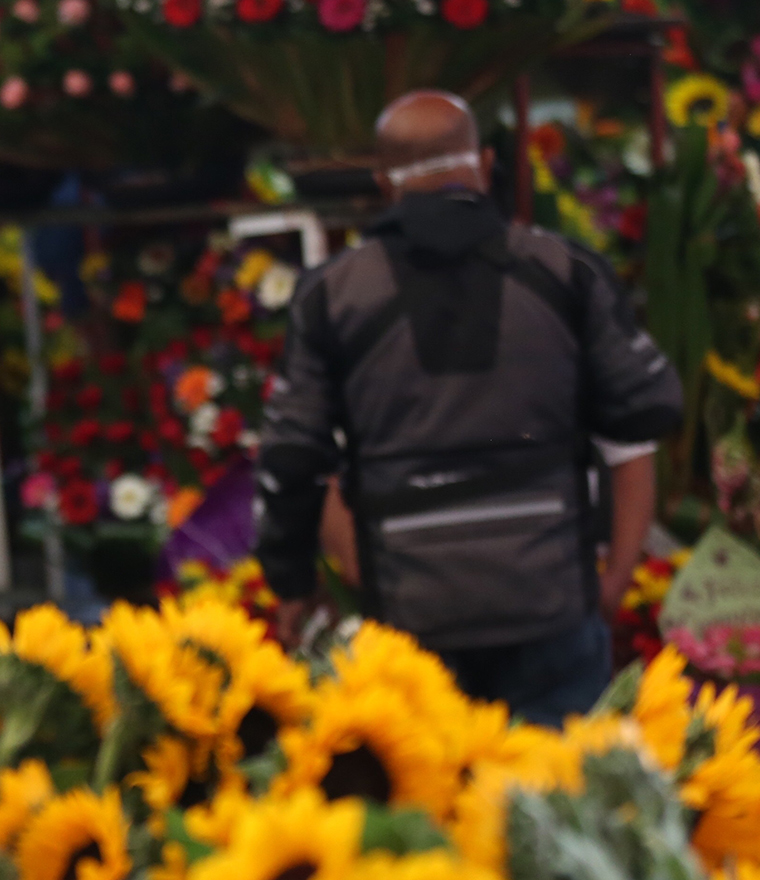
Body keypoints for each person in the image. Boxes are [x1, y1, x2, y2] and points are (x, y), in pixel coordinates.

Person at [254, 90, 682, 724]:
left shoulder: (333, 296)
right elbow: (648, 417)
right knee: (560, 806)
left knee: (433, 811)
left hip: (411, 615)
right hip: (550, 605)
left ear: (382, 184)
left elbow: (292, 460)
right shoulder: (566, 272)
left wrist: (292, 584)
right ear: (483, 165)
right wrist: (613, 580)